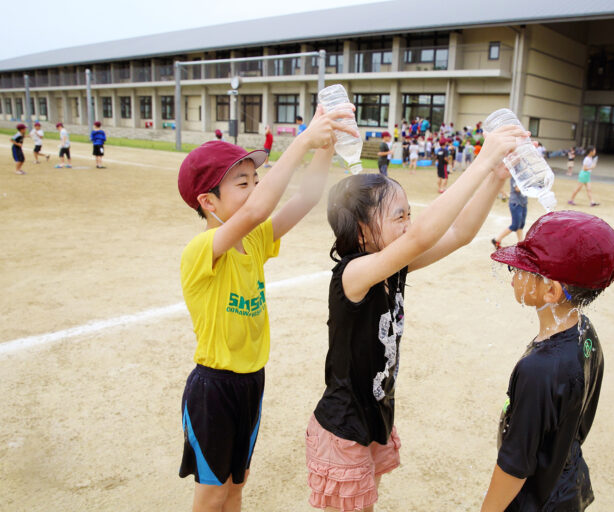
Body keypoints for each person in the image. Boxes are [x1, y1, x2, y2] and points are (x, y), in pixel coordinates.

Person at [304, 123, 528, 512]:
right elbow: (421, 236)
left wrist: (494, 177)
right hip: (343, 426)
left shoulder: (394, 267)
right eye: (399, 216)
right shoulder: (353, 275)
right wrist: (483, 157)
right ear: (360, 233)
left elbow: (458, 232)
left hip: (373, 417)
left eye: (410, 213)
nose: (409, 222)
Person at [177, 104, 357, 512]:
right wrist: (303, 140)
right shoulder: (202, 250)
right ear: (209, 201)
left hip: (250, 383)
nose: (256, 189)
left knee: (237, 488)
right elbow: (260, 208)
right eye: (244, 183)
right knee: (212, 493)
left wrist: (324, 147)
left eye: (256, 179)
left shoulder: (255, 239)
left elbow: (307, 197)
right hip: (214, 389)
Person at [483, 210, 614, 512]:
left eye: (519, 270)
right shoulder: (585, 331)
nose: (513, 278)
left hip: (536, 500)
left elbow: (514, 465)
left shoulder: (538, 370)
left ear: (550, 289)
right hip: (565, 486)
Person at [492, 180, 527, 248]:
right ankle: (497, 240)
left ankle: (520, 243)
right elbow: (517, 188)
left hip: (523, 203)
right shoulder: (516, 175)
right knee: (515, 225)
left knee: (521, 225)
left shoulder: (525, 175)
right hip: (516, 203)